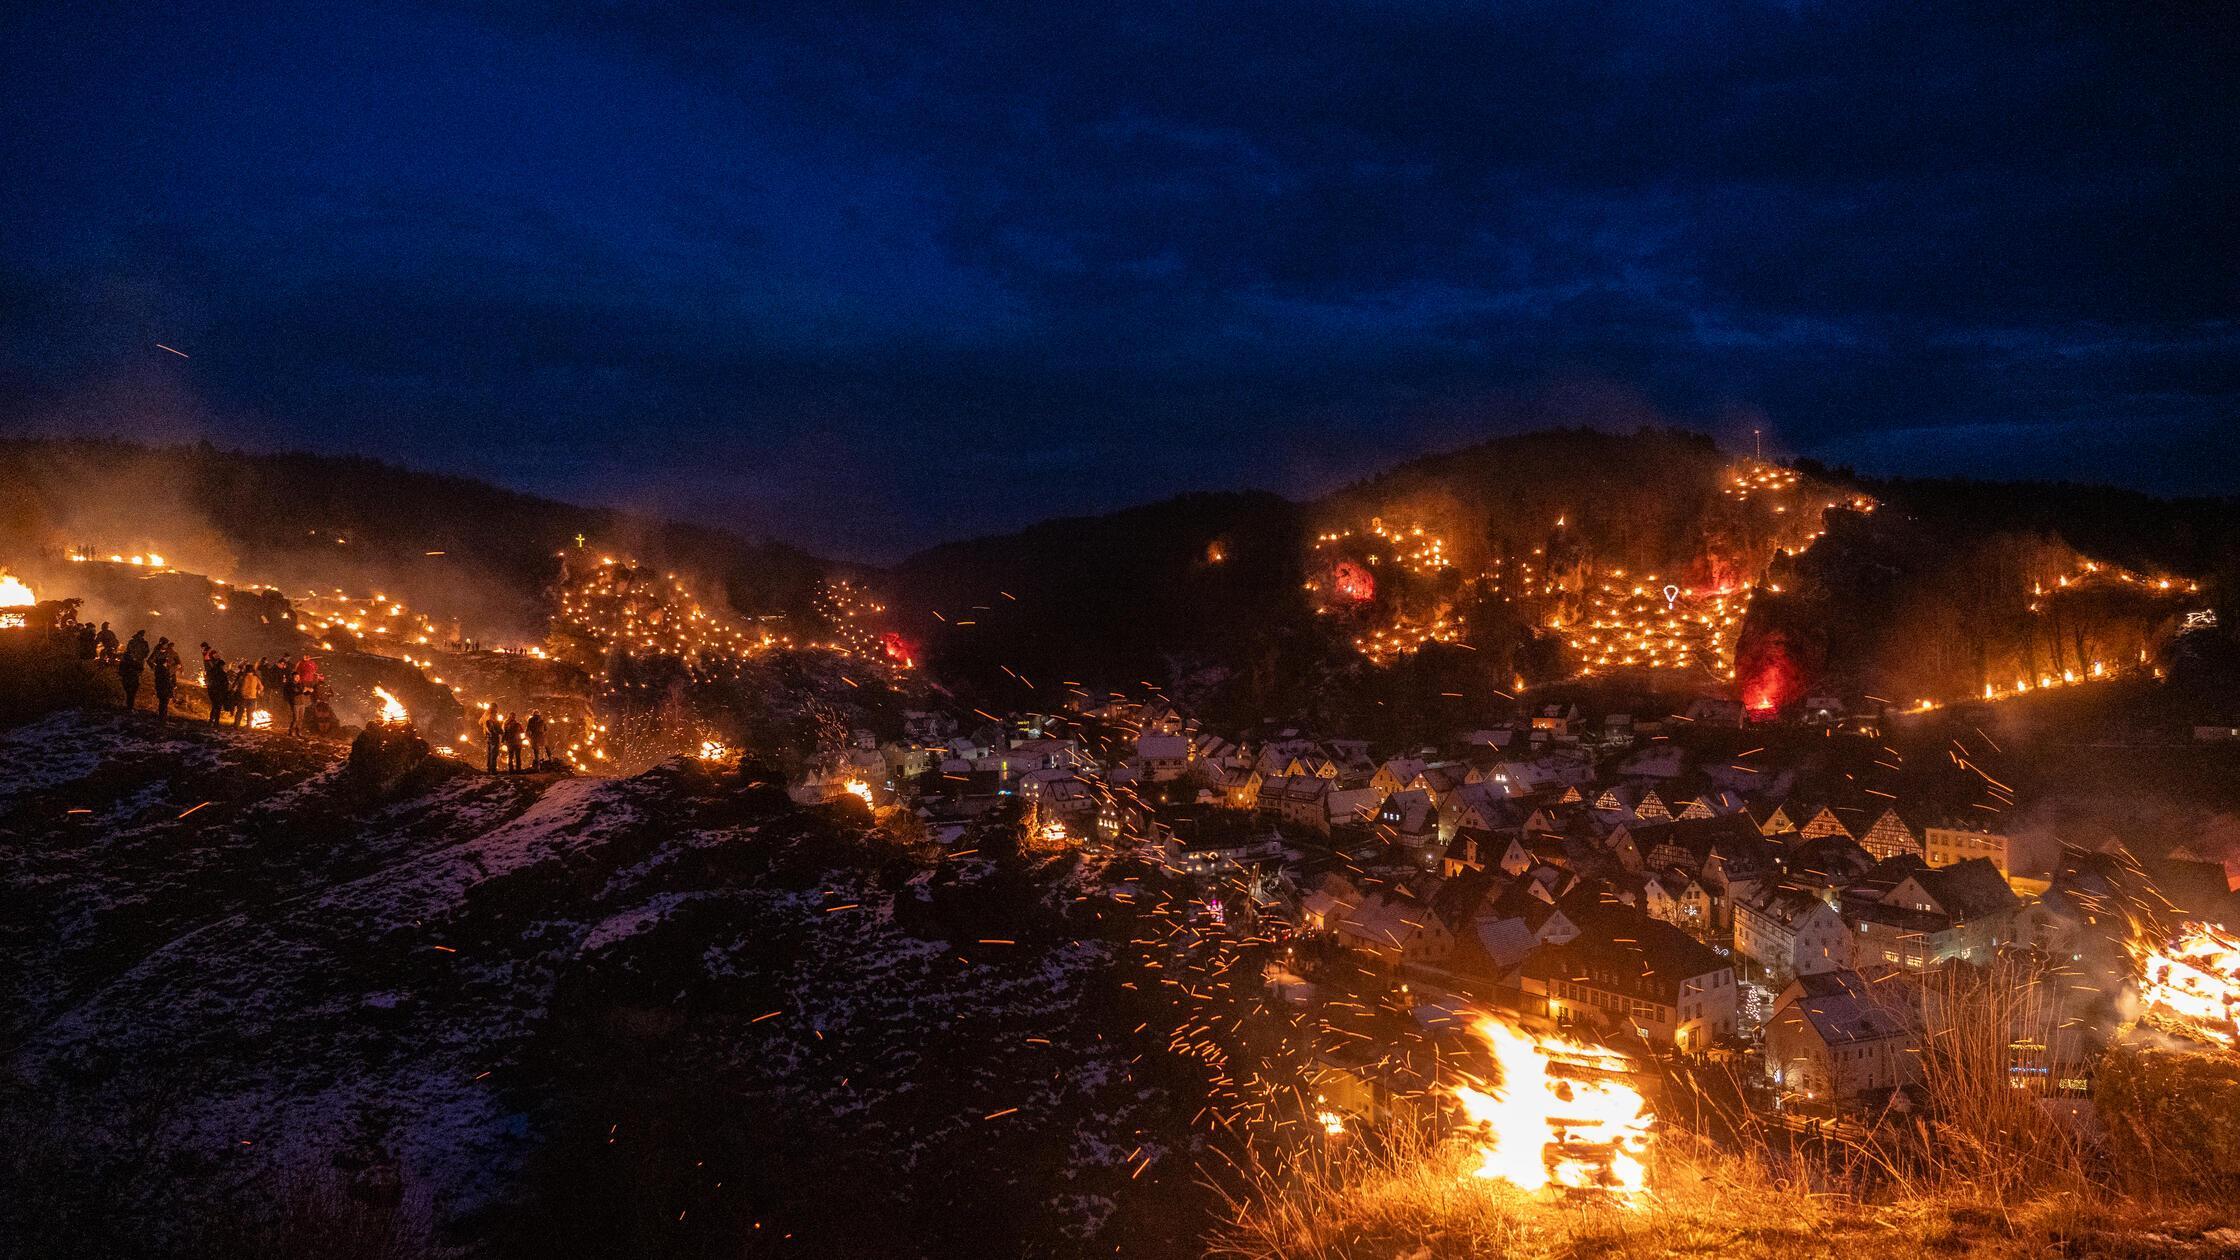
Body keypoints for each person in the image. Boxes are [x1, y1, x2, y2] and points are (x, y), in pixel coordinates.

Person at [118, 629, 150, 709]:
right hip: (132, 668)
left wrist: (140, 657)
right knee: (130, 688)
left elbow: (146, 652)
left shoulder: (143, 643)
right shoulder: (132, 643)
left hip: (137, 664)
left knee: (132, 688)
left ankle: (129, 705)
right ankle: (128, 705)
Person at [152, 638, 179, 723]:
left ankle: (163, 718)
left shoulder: (165, 655)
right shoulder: (162, 669)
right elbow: (165, 681)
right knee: (163, 702)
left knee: (164, 702)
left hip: (164, 685)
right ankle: (162, 719)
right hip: (163, 687)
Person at [233, 659, 264, 726]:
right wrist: (258, 691)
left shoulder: (242, 677)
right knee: (249, 712)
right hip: (252, 697)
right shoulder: (256, 678)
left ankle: (236, 725)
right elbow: (261, 687)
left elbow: (235, 686)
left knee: (240, 711)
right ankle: (249, 725)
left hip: (242, 697)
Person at [203, 647, 229, 726]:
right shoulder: (222, 674)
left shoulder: (212, 671)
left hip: (212, 691)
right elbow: (225, 684)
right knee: (218, 707)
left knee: (214, 706)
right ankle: (216, 722)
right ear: (221, 666)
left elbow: (209, 680)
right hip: (219, 692)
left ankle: (211, 721)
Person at [282, 659, 305, 734]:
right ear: (293, 677)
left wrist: (309, 691)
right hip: (296, 703)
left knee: (301, 719)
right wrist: (304, 690)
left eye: (298, 677)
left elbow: (303, 692)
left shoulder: (300, 684)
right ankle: (291, 731)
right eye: (296, 677)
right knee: (296, 718)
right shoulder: (291, 684)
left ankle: (299, 732)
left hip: (302, 703)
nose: (298, 678)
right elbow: (295, 693)